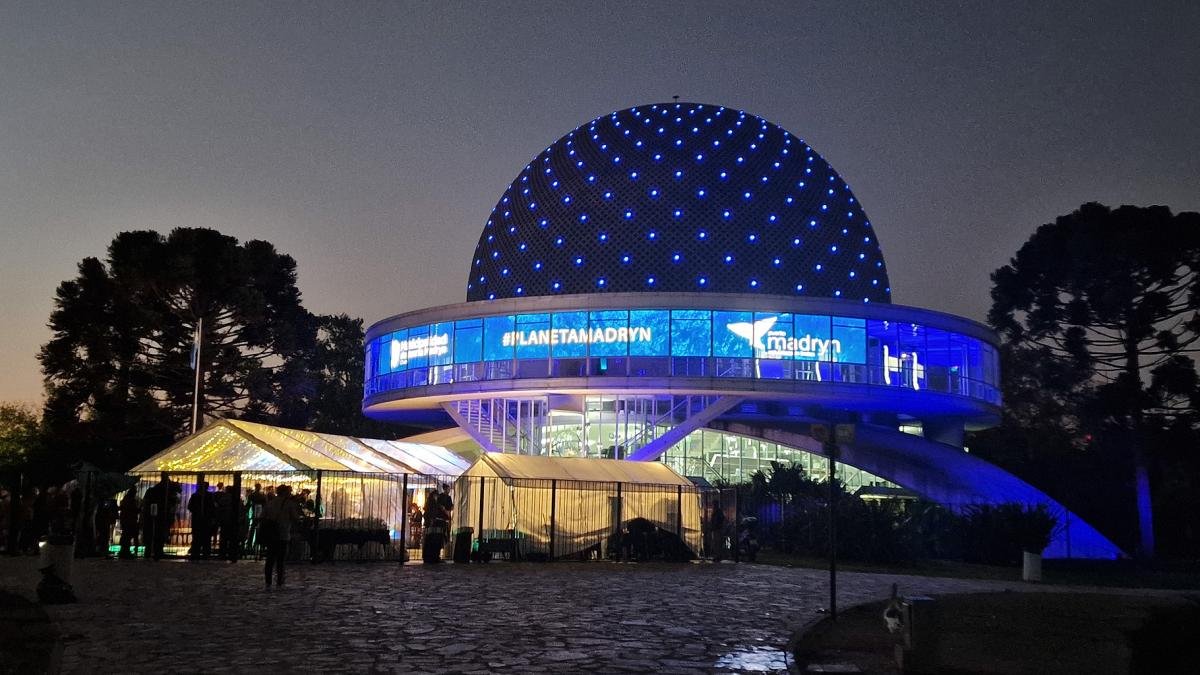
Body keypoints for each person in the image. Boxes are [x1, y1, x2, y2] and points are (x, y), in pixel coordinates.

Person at [261, 485, 302, 588]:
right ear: (285, 492)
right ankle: (279, 580)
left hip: (271, 534)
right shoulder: (289, 504)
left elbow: (262, 516)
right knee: (281, 559)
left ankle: (268, 580)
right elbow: (295, 518)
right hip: (283, 534)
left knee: (270, 559)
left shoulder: (270, 503)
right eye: (289, 491)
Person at [187, 481, 216, 559]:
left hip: (197, 520)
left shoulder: (195, 496)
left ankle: (196, 554)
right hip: (206, 520)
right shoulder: (210, 496)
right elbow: (213, 508)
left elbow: (190, 507)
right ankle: (205, 554)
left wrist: (196, 511)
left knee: (197, 538)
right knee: (206, 538)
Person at [219, 485, 243, 562]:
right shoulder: (237, 500)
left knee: (224, 540)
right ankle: (232, 555)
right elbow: (242, 511)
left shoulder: (223, 499)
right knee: (233, 540)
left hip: (225, 521)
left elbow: (219, 508)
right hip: (234, 522)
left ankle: (222, 555)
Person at [118, 490, 140, 559]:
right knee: (128, 536)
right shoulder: (130, 500)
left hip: (126, 521)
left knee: (126, 536)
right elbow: (133, 510)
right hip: (130, 521)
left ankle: (124, 551)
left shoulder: (126, 499)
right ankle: (126, 552)